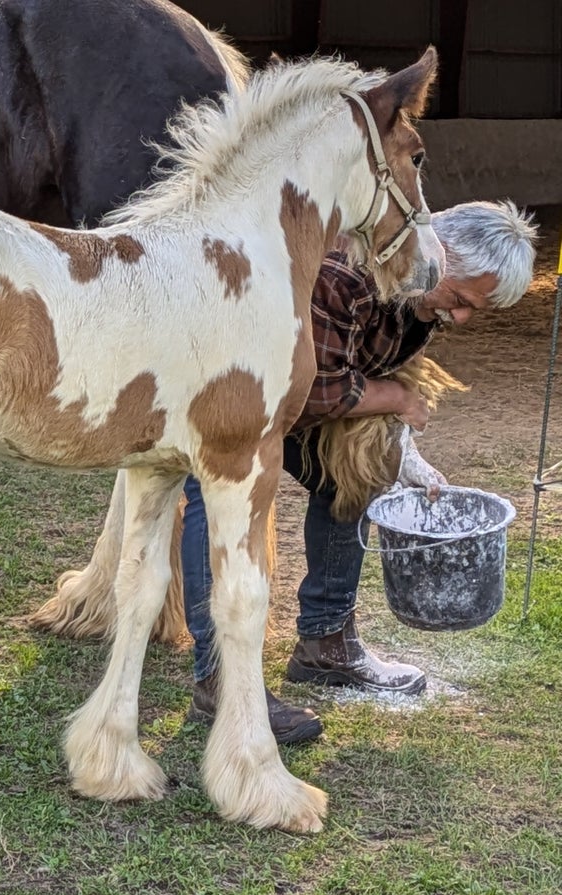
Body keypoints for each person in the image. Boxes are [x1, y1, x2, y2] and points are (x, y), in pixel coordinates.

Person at [181, 200, 538, 743]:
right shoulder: (346, 268)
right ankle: (220, 679)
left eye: (474, 310)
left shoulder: (422, 293)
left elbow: (368, 368)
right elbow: (322, 389)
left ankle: (325, 643)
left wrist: (401, 451)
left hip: (286, 397)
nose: (461, 317)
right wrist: (396, 398)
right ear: (438, 254)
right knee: (219, 498)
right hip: (224, 396)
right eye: (462, 300)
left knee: (358, 472)